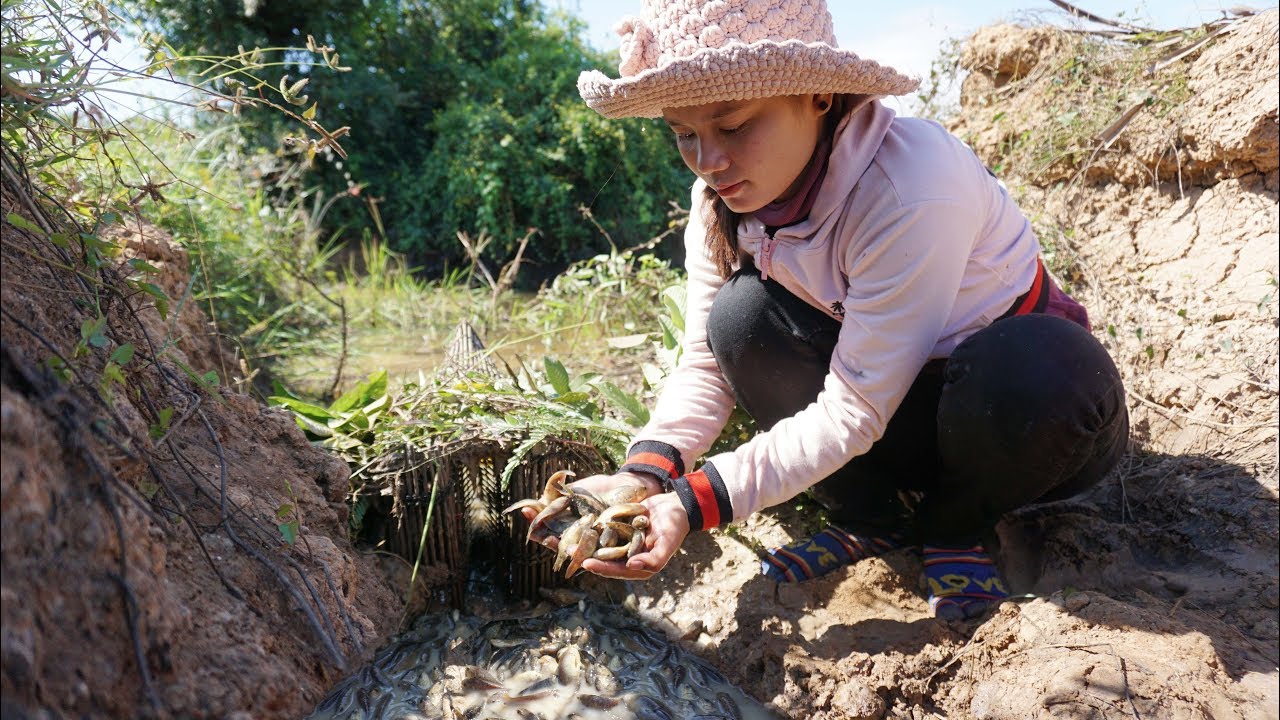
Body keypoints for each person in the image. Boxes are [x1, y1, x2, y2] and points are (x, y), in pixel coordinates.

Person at [524, 0, 1129, 620]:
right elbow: (705, 365)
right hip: (892, 412)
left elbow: (855, 407)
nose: (708, 162)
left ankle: (955, 525)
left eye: (733, 126)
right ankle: (871, 517)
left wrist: (696, 501)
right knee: (738, 319)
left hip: (1020, 428)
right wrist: (644, 477)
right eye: (685, 134)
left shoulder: (910, 187)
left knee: (1041, 369)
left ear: (816, 96)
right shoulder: (719, 202)